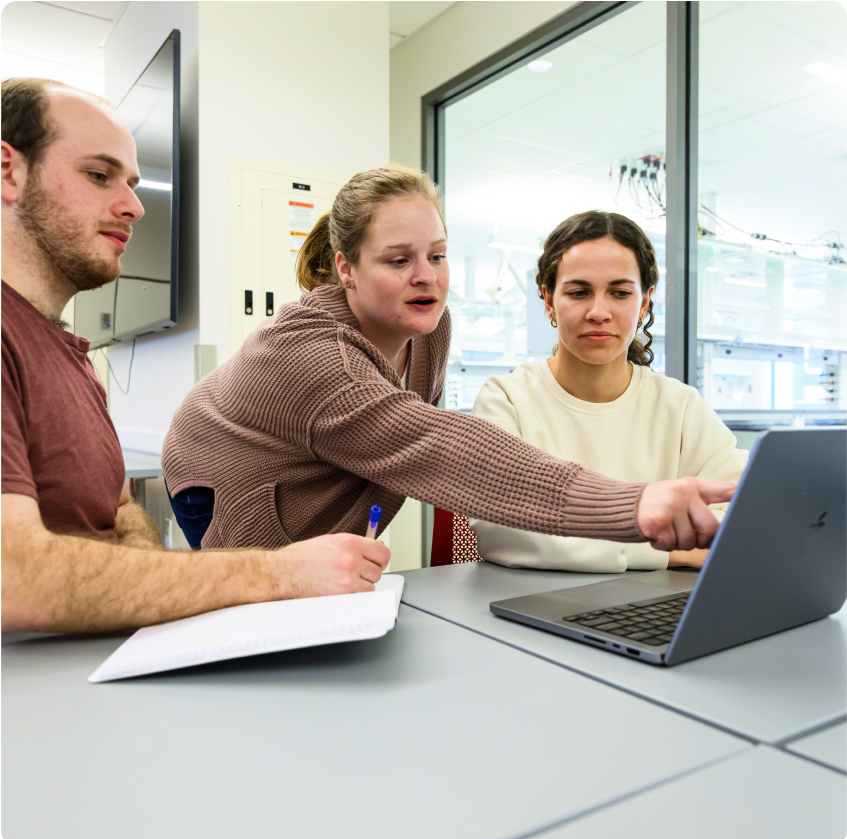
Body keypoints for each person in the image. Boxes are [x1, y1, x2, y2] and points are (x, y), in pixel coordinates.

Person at [162, 166, 735, 557]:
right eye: (398, 259)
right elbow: (436, 451)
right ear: (345, 268)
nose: (426, 276)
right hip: (222, 481)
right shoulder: (314, 358)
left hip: (316, 475)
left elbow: (383, 456)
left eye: (436, 255)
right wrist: (635, 504)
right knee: (259, 615)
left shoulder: (429, 327)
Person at [0, 78, 389, 634]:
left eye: (132, 183)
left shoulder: (72, 359)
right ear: (9, 171)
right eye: (98, 175)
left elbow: (118, 511)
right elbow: (15, 579)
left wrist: (148, 586)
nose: (134, 206)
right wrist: (277, 574)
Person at [470, 211, 747, 572]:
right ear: (549, 299)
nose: (598, 312)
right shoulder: (507, 399)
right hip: (535, 604)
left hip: (655, 607)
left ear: (644, 302)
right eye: (579, 292)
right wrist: (664, 551)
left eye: (619, 292)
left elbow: (741, 511)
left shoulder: (680, 407)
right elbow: (506, 527)